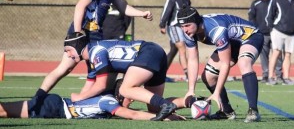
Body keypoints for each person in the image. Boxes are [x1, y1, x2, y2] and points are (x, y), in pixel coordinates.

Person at [34, 0, 152, 97]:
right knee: (65, 69)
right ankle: (37, 100)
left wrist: (142, 13)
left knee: (95, 73)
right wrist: (77, 35)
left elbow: (122, 6)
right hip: (83, 32)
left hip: (95, 35)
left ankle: (83, 103)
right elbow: (80, 6)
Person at [63, 32, 178, 121]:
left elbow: (101, 85)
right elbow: (88, 87)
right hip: (154, 51)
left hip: (147, 52)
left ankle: (166, 104)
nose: (68, 55)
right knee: (154, 109)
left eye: (68, 50)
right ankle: (191, 102)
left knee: (125, 89)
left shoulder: (96, 52)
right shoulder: (92, 57)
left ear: (77, 46)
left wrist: (79, 98)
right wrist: (79, 101)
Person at [177, 7, 263, 123]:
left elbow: (225, 64)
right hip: (231, 41)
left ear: (197, 21)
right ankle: (226, 111)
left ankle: (253, 111)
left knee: (244, 62)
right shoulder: (189, 33)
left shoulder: (217, 29)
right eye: (182, 26)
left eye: (187, 25)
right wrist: (191, 90)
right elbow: (192, 59)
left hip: (250, 37)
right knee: (208, 77)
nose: (185, 30)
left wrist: (217, 92)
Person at [0, 79, 185, 121]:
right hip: (55, 107)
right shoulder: (109, 101)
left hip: (57, 108)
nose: (134, 99)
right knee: (4, 111)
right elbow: (132, 114)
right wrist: (166, 117)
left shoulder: (109, 101)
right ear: (121, 94)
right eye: (132, 96)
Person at [266, 0, 294, 85]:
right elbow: (270, 15)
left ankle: (286, 78)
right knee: (276, 52)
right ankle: (271, 77)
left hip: (292, 33)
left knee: (288, 55)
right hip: (278, 31)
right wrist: (271, 28)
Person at [248, 0, 283, 83]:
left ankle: (279, 75)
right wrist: (256, 29)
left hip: (275, 33)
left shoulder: (276, 2)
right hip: (262, 34)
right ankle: (265, 75)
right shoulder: (256, 3)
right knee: (264, 56)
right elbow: (251, 17)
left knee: (278, 55)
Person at [159, 0, 191, 81]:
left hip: (183, 28)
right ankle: (188, 75)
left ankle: (161, 73)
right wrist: (162, 25)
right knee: (182, 48)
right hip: (173, 26)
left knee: (173, 51)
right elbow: (167, 10)